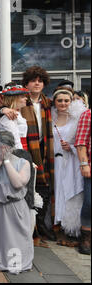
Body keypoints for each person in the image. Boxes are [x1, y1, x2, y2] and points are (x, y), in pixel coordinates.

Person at [0, 66, 56, 244]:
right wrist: (4, 110)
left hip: (40, 148)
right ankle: (24, 234)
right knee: (19, 194)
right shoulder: (12, 113)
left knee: (39, 190)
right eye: (33, 80)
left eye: (40, 80)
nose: (37, 84)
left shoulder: (47, 103)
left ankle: (38, 229)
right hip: (22, 153)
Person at [0, 131, 34, 273]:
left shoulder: (23, 163)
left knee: (14, 241)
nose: (3, 149)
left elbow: (17, 183)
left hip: (14, 209)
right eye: (0, 146)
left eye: (6, 147)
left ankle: (14, 262)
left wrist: (7, 161)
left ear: (12, 147)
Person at [51, 87, 86, 245]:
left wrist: (71, 147)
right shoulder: (50, 118)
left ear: (71, 102)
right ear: (55, 102)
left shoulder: (77, 119)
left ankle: (71, 229)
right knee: (57, 192)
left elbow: (83, 142)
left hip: (72, 161)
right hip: (55, 162)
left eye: (66, 100)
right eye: (60, 101)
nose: (63, 103)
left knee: (71, 192)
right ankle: (57, 226)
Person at [74, 106, 91, 255]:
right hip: (90, 167)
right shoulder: (88, 114)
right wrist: (84, 164)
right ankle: (86, 237)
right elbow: (81, 142)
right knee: (89, 203)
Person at [0, 85, 30, 150]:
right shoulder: (9, 117)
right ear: (14, 99)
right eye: (22, 97)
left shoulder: (17, 113)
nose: (26, 98)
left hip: (21, 149)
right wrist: (22, 156)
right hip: (13, 152)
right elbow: (15, 141)